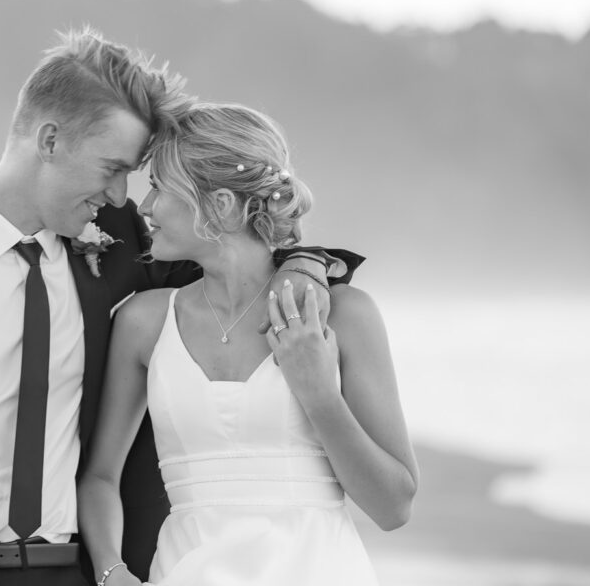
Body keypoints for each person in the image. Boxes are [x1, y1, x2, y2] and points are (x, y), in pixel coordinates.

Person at [0, 28, 358, 586]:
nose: (119, 195)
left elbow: (238, 257)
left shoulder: (124, 243)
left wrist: (304, 263)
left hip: (72, 573)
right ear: (51, 140)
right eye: (113, 170)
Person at [78, 102, 418, 585]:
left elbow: (394, 506)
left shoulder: (345, 315)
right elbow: (99, 478)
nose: (145, 207)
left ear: (218, 205)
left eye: (158, 187)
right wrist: (113, 573)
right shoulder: (145, 321)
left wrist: (317, 392)